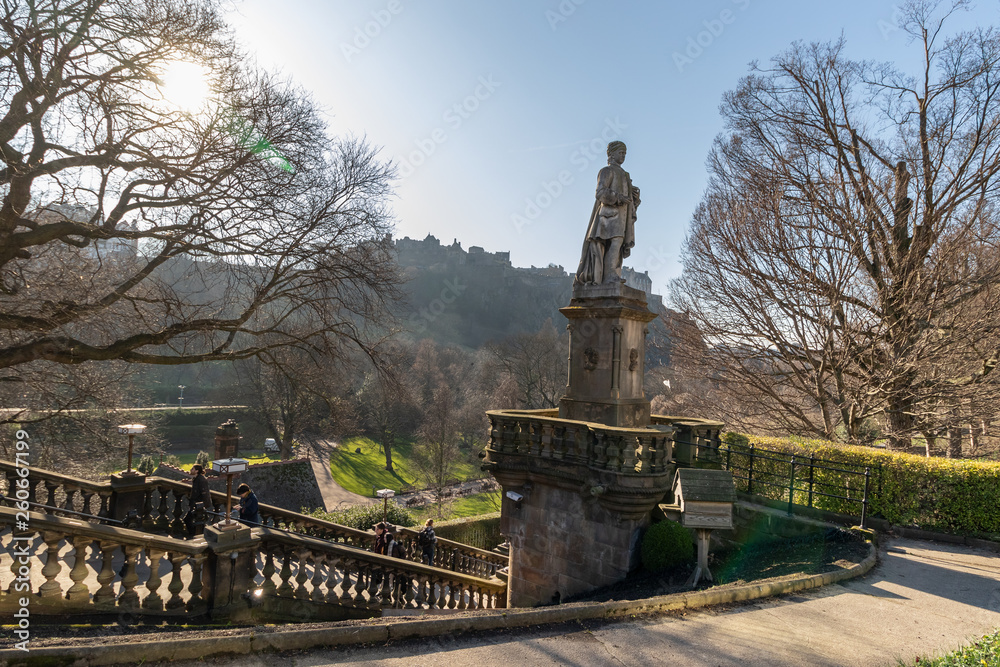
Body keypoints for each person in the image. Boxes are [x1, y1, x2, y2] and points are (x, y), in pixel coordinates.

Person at [574, 141, 640, 286]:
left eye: (625, 153)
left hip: (621, 218)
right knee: (614, 243)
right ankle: (609, 276)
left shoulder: (625, 175)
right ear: (612, 154)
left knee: (618, 245)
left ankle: (612, 275)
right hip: (608, 217)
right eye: (620, 153)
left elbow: (628, 199)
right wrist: (618, 198)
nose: (623, 156)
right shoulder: (606, 171)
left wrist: (633, 196)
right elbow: (600, 192)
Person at [185, 464, 214, 535]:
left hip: (198, 505)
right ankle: (194, 534)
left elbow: (205, 493)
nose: (191, 470)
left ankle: (193, 534)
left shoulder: (201, 480)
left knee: (189, 520)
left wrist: (203, 505)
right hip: (196, 504)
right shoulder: (197, 479)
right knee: (192, 520)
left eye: (192, 469)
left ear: (197, 471)